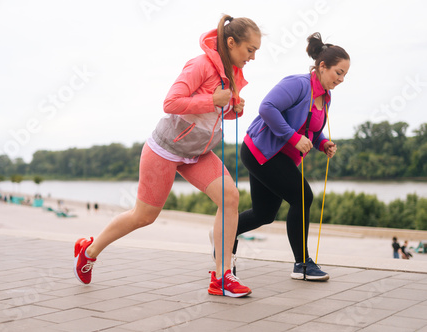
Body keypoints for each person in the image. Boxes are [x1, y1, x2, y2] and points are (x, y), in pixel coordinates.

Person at [74, 15, 261, 298]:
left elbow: (216, 113)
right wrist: (214, 99)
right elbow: (171, 103)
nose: (253, 57)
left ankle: (222, 276)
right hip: (165, 149)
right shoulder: (200, 64)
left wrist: (234, 107)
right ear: (231, 42)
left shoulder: (233, 73)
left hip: (198, 151)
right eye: (250, 50)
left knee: (230, 197)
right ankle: (89, 251)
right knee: (144, 216)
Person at [234, 32, 350, 281]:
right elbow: (267, 108)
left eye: (345, 75)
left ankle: (224, 234)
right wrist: (293, 138)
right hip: (260, 151)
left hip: (279, 157)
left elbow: (311, 131)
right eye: (338, 72)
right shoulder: (298, 84)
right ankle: (302, 265)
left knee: (264, 214)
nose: (341, 79)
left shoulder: (325, 98)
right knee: (302, 196)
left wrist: (323, 143)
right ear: (322, 66)